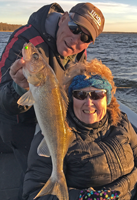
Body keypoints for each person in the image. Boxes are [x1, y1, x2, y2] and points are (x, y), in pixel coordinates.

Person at [22, 59, 137, 200]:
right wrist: (84, 197)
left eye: (96, 95)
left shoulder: (121, 122)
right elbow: (34, 193)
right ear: (71, 99)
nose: (88, 103)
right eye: (80, 95)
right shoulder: (55, 132)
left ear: (106, 98)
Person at [0, 2, 105, 174]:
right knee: (33, 178)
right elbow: (3, 100)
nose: (75, 39)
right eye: (74, 28)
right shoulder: (25, 40)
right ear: (63, 18)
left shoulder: (79, 53)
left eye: (85, 38)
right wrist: (18, 88)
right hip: (20, 125)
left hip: (57, 122)